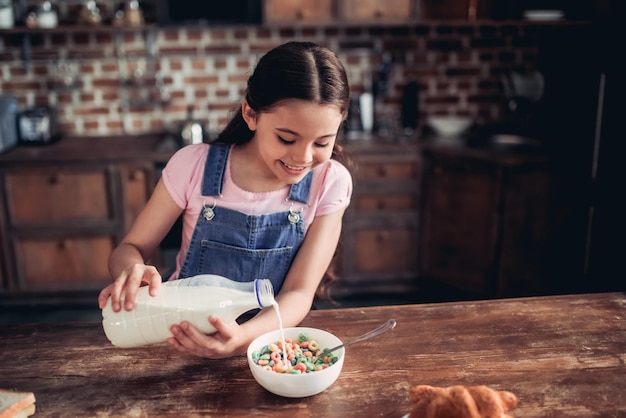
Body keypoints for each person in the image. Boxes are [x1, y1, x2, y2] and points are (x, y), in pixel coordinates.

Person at [97, 41, 353, 359]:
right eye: (286, 138)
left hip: (269, 347)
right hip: (181, 342)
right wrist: (133, 270)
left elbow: (298, 293)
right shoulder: (194, 166)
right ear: (251, 114)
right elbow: (128, 249)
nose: (302, 157)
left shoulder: (330, 181)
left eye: (322, 142)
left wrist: (242, 338)